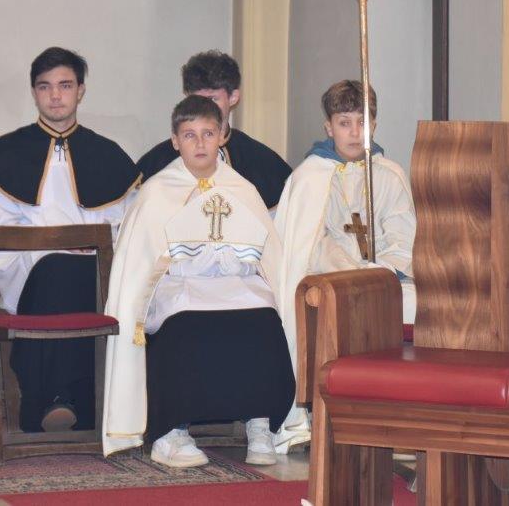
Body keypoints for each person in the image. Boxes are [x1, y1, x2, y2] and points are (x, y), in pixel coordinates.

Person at [103, 95, 295, 468]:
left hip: (236, 284)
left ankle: (260, 423)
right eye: (190, 135)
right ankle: (172, 432)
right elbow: (144, 261)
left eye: (208, 133)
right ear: (175, 141)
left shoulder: (242, 189)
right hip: (178, 287)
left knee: (265, 317)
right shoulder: (157, 191)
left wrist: (235, 258)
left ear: (222, 135)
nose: (200, 143)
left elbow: (266, 256)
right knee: (183, 322)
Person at [0, 47, 140, 433]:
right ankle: (70, 401)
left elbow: (129, 226)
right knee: (57, 269)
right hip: (31, 274)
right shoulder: (6, 156)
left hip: (95, 273)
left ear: (81, 90)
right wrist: (52, 247)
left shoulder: (108, 156)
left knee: (72, 272)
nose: (56, 95)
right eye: (45, 87)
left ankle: (51, 402)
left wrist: (93, 247)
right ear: (34, 93)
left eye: (65, 85)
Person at [273, 80, 417, 450]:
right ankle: (309, 420)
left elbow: (404, 237)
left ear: (375, 125)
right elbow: (311, 243)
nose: (355, 132)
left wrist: (379, 274)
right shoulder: (309, 177)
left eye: (362, 122)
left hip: (386, 280)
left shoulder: (389, 175)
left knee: (420, 307)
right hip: (329, 280)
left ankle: (405, 421)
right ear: (329, 127)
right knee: (322, 311)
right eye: (344, 123)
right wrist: (351, 273)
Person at [136, 50, 291, 209]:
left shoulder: (261, 162)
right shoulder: (157, 163)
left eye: (212, 99)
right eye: (197, 99)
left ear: (233, 98)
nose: (204, 108)